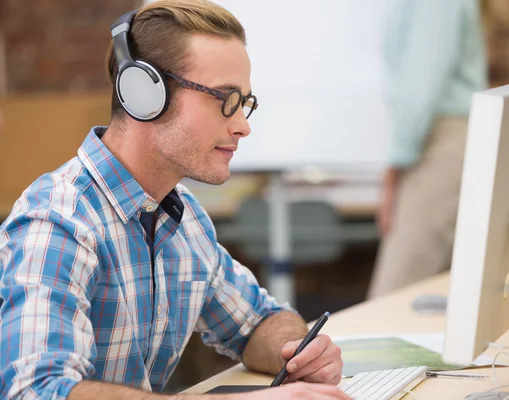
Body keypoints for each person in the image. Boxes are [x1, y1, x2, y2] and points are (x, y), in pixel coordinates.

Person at [0, 1, 348, 399]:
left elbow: (257, 322)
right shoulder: (58, 223)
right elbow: (35, 391)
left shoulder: (183, 217)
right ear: (144, 95)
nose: (243, 125)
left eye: (245, 103)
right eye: (225, 99)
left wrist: (299, 352)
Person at [368, 0, 488, 298]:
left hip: (439, 141)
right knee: (439, 299)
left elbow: (421, 86)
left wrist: (394, 169)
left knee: (394, 297)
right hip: (441, 139)